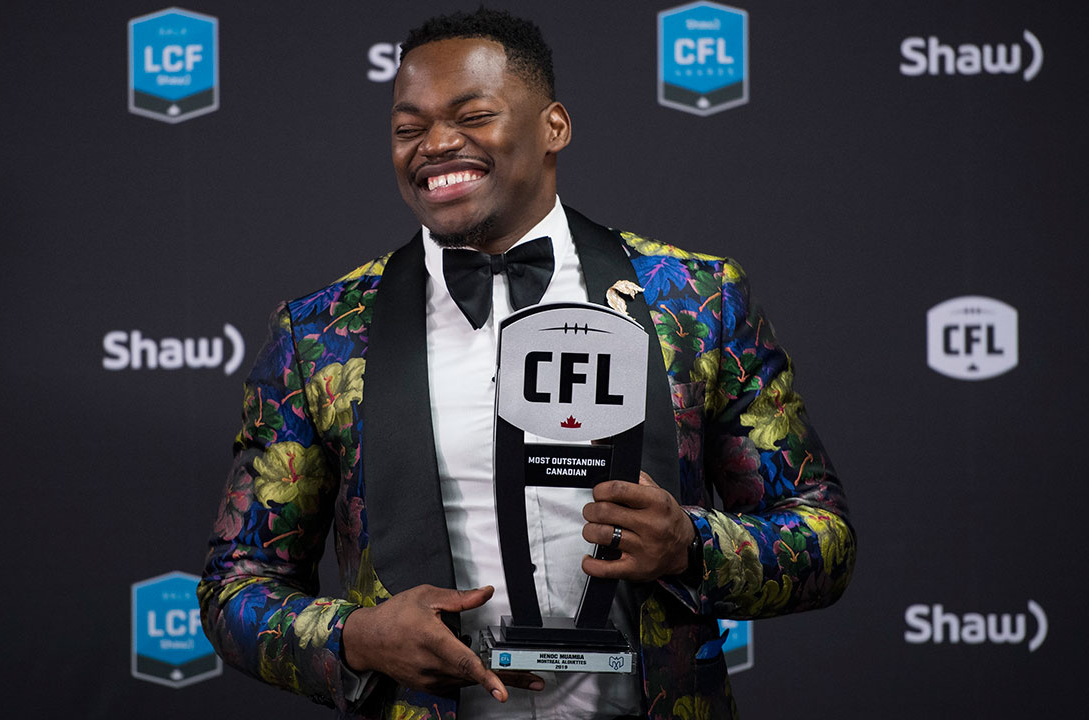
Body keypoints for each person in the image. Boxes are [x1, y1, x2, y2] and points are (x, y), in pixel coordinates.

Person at [199, 8, 854, 720]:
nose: (437, 145)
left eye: (472, 115)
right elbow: (236, 587)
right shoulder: (320, 333)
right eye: (408, 127)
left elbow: (824, 538)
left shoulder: (696, 300)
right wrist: (355, 636)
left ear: (554, 127)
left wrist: (691, 546)